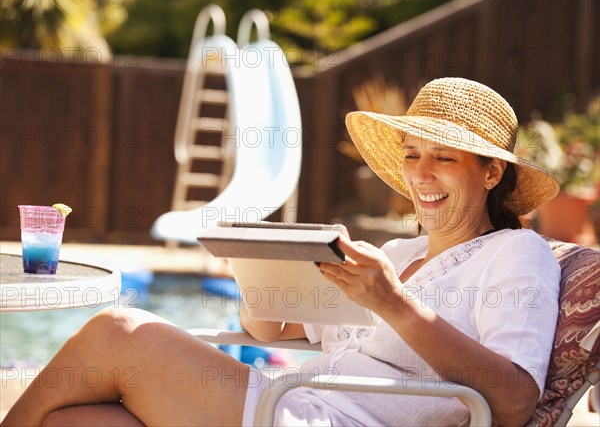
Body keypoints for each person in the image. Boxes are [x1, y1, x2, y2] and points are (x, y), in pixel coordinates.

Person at [2, 78, 561, 427]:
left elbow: (512, 403)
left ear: (492, 172)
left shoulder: (516, 255)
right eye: (413, 155)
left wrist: (393, 304)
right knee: (72, 421)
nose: (421, 174)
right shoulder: (398, 249)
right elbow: (275, 332)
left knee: (119, 331)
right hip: (291, 399)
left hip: (326, 418)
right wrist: (257, 269)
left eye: (445, 158)